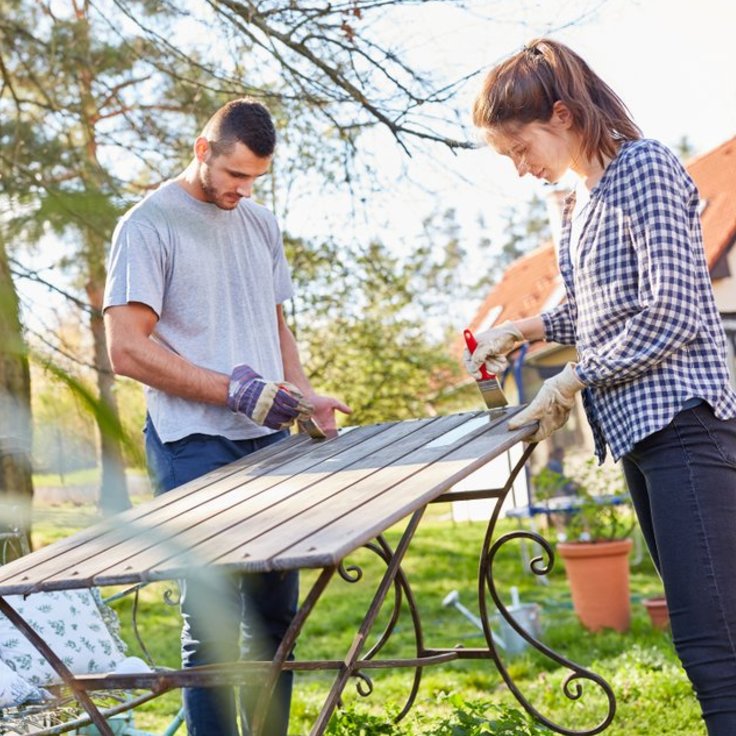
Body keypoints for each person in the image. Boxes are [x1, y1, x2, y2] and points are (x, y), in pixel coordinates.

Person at [466, 39, 736, 735]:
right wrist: (520, 329)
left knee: (716, 642)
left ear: (561, 115)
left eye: (519, 148)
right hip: (641, 433)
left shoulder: (643, 167)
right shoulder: (579, 204)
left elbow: (672, 309)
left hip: (687, 421)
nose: (521, 168)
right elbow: (586, 308)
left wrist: (575, 376)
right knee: (703, 634)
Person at [103, 98, 351, 736]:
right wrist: (233, 391)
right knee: (211, 627)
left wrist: (303, 393)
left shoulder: (261, 225)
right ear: (201, 149)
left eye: (255, 179)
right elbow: (127, 349)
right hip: (193, 445)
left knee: (275, 620)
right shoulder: (148, 225)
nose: (243, 191)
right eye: (234, 175)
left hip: (270, 442)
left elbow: (274, 325)